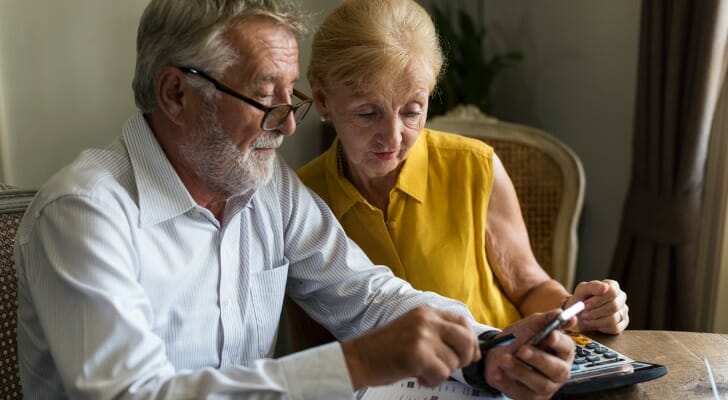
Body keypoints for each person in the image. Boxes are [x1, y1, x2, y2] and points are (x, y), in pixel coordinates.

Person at [14, 0, 575, 399]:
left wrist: (489, 348)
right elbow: (132, 395)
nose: (285, 128)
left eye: (292, 98)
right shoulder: (85, 212)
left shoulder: (265, 184)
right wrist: (354, 363)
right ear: (176, 93)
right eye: (263, 99)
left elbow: (367, 295)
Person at [292, 0, 629, 346]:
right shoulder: (300, 201)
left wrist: (576, 308)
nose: (393, 137)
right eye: (366, 113)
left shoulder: (474, 167)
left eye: (412, 111)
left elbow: (530, 287)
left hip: (501, 379)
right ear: (320, 97)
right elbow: (315, 347)